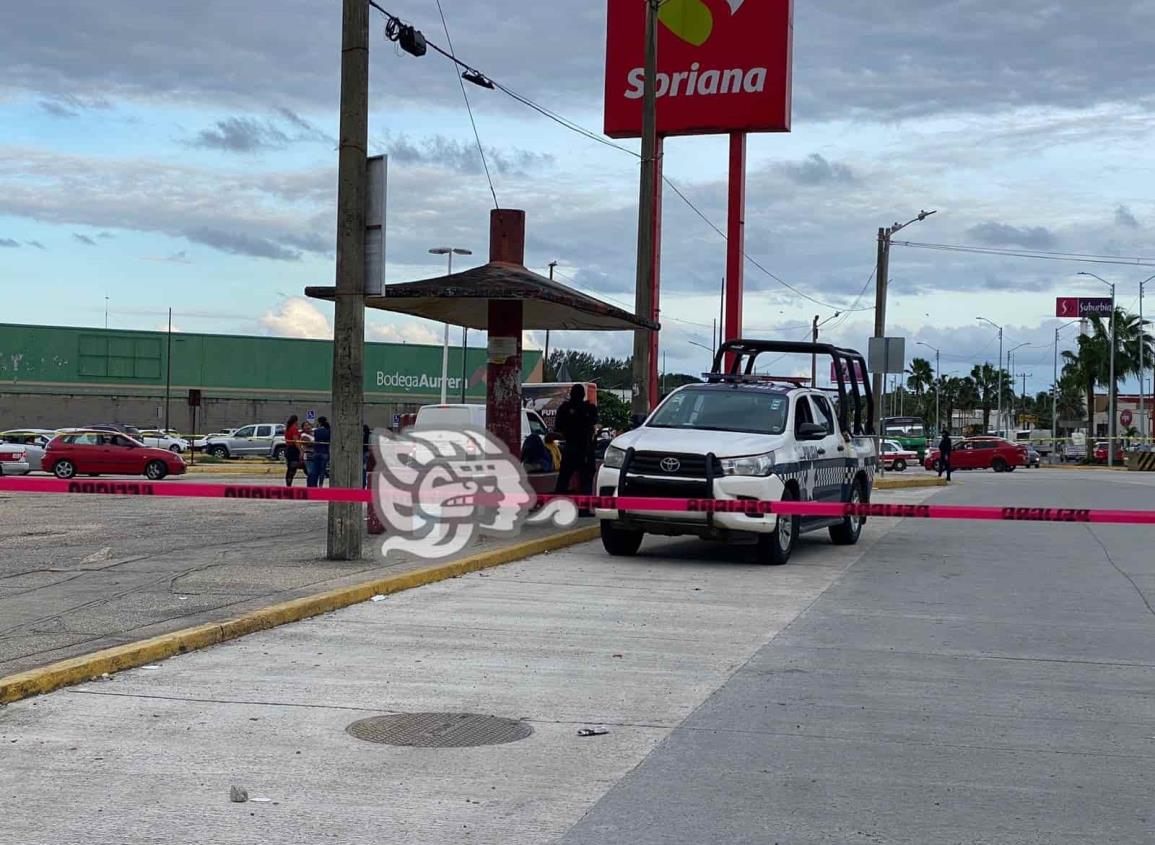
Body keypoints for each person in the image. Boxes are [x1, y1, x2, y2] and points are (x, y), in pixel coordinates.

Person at [554, 384, 598, 495]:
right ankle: (585, 508)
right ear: (583, 395)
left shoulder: (564, 408)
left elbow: (558, 426)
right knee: (586, 481)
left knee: (563, 479)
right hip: (585, 448)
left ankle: (558, 505)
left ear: (571, 394)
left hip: (571, 447)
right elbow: (594, 421)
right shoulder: (589, 408)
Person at [308, 416, 331, 488]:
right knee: (322, 470)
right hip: (325, 452)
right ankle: (321, 484)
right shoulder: (328, 431)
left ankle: (314, 483)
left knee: (315, 469)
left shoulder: (316, 431)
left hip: (316, 452)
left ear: (319, 422)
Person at [284, 414, 302, 486]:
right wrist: (300, 450)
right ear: (296, 421)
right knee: (292, 468)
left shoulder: (287, 428)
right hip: (293, 450)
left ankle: (288, 484)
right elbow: (296, 441)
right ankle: (289, 484)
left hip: (288, 448)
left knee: (290, 468)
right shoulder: (293, 428)